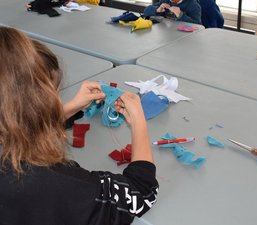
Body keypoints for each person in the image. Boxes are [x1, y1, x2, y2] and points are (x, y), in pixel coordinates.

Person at [0, 27, 158, 225]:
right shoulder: (50, 182)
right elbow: (140, 194)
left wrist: (70, 108)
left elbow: (18, 127)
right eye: (52, 97)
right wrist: (138, 124)